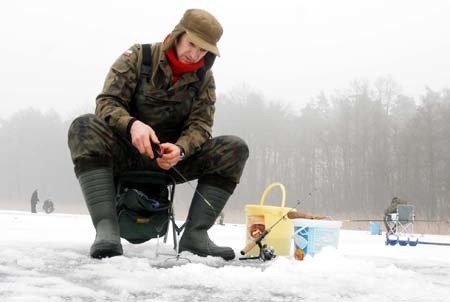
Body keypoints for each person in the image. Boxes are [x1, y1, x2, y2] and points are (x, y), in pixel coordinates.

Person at [67, 9, 249, 260]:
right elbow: (107, 103)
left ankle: (196, 236)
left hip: (172, 162)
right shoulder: (138, 57)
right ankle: (106, 229)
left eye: (203, 50)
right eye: (192, 44)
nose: (195, 54)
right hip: (126, 152)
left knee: (234, 148)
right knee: (83, 126)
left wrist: (181, 149)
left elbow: (201, 125)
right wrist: (132, 125)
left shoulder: (204, 78)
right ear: (178, 35)